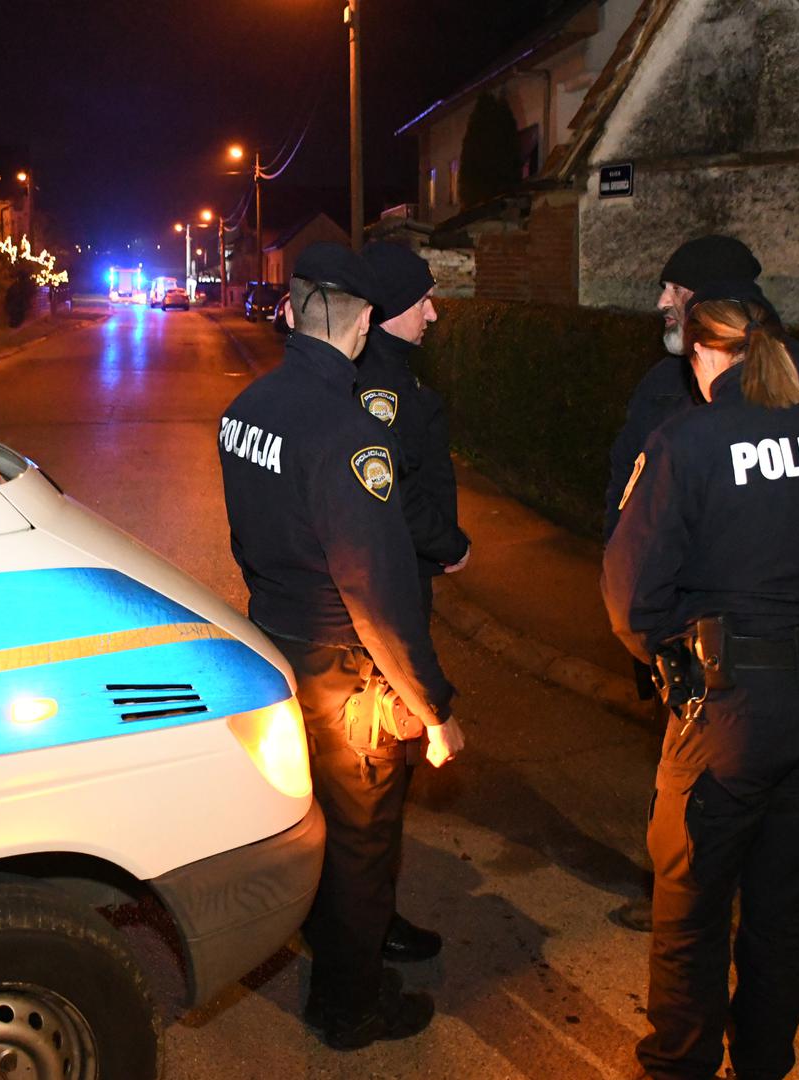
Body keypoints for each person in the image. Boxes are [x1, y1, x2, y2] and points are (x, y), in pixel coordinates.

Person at [601, 281, 799, 1080]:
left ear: (706, 352)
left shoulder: (690, 438)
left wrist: (668, 658)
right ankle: (764, 1063)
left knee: (691, 907)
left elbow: (631, 596)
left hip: (730, 713)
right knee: (781, 905)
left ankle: (679, 1066)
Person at [217, 241, 465, 1051]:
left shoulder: (246, 408)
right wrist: (432, 706)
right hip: (346, 668)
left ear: (290, 310)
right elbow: (378, 593)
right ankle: (348, 1006)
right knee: (362, 844)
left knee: (315, 821)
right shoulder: (350, 434)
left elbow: (248, 538)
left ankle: (330, 951)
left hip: (277, 641)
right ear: (362, 323)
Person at [353, 241, 470, 964]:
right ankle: (367, 927)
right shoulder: (382, 388)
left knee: (372, 780)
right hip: (388, 590)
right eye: (422, 300)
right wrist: (448, 543)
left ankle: (362, 912)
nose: (433, 312)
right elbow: (387, 489)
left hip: (391, 579)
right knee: (376, 776)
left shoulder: (387, 373)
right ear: (391, 309)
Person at [602, 235, 799, 542]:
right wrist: (621, 546)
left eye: (676, 289)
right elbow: (628, 474)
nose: (662, 302)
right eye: (664, 288)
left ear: (715, 300)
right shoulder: (661, 382)